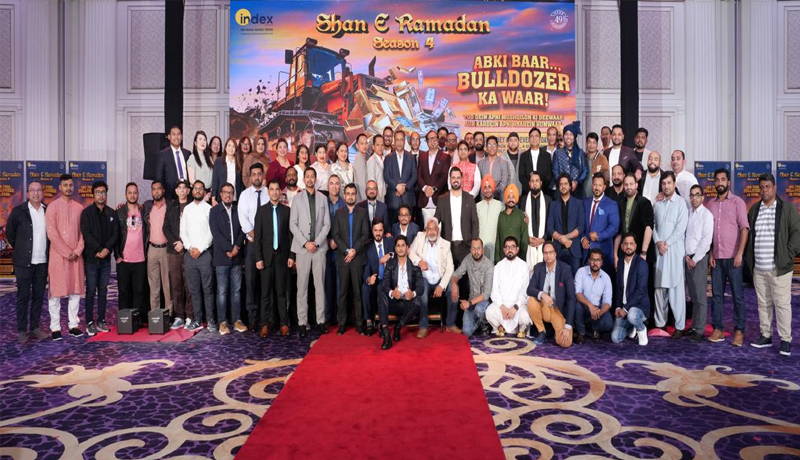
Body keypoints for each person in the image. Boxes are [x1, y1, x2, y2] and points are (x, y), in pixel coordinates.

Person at [746, 173, 800, 356]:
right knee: (763, 303)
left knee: (782, 304)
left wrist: (788, 255)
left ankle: (785, 340)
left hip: (779, 268)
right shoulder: (754, 210)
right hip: (759, 268)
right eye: (761, 187)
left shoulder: (787, 209)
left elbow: (797, 233)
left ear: (775, 188)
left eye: (767, 187)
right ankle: (766, 335)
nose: (764, 190)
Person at [707, 168, 750, 346]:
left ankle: (739, 330)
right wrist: (711, 252)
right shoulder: (710, 205)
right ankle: (718, 329)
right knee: (717, 296)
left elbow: (744, 229)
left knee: (737, 296)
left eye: (723, 179)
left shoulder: (738, 202)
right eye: (717, 180)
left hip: (734, 258)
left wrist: (740, 253)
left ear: (729, 183)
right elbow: (708, 233)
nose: (720, 183)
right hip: (716, 259)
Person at [290, 168, 331, 337]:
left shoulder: (323, 198)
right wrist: (306, 243)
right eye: (307, 176)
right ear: (303, 179)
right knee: (302, 287)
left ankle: (321, 321)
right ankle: (302, 322)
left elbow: (327, 224)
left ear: (315, 179)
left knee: (319, 286)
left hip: (319, 248)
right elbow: (293, 224)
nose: (309, 179)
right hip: (302, 249)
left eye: (312, 176)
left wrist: (317, 242)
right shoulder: (297, 199)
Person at [8, 181, 49, 343]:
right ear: (27, 194)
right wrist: (21, 249)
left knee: (38, 296)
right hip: (23, 263)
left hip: (42, 262)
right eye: (32, 190)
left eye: (39, 190)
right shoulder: (18, 211)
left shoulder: (48, 211)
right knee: (23, 296)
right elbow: (10, 234)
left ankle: (35, 327)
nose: (36, 193)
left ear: (43, 193)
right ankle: (22, 330)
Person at [45, 174, 86, 339]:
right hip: (58, 256)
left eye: (70, 185)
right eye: (65, 185)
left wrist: (77, 251)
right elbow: (51, 233)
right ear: (59, 187)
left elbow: (83, 233)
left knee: (75, 292)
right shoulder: (52, 207)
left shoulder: (79, 208)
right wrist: (67, 252)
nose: (68, 188)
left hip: (76, 256)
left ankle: (73, 325)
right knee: (55, 292)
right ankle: (55, 328)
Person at [613, 173, 655, 323]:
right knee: (624, 284)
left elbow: (649, 227)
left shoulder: (644, 202)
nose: (628, 187)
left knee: (643, 286)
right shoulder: (620, 202)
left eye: (631, 184)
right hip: (624, 252)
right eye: (626, 184)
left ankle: (645, 320)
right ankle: (627, 318)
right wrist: (615, 255)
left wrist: (643, 252)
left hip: (641, 252)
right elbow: (619, 231)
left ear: (637, 185)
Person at [255, 180, 293, 337]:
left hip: (282, 258)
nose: (275, 192)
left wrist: (291, 255)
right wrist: (258, 258)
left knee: (281, 292)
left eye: (277, 189)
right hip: (266, 259)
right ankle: (265, 324)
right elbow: (257, 237)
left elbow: (290, 236)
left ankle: (283, 323)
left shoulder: (287, 211)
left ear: (280, 192)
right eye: (272, 189)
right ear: (268, 192)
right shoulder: (262, 211)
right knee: (265, 293)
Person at [652, 171, 688, 338]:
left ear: (674, 184)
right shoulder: (657, 203)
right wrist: (658, 242)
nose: (666, 186)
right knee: (659, 289)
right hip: (659, 251)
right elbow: (653, 225)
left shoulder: (681, 203)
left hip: (674, 251)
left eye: (669, 183)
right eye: (664, 183)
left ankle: (679, 326)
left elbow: (681, 228)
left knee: (675, 289)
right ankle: (660, 324)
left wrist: (667, 243)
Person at [80, 181, 118, 337]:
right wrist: (98, 249)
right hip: (92, 259)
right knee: (90, 291)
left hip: (105, 259)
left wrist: (106, 249)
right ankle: (89, 322)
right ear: (93, 194)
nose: (101, 195)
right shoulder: (86, 213)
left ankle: (101, 320)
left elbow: (115, 234)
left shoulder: (112, 213)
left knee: (103, 291)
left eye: (103, 192)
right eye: (98, 192)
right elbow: (86, 234)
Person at [332, 183, 370, 334]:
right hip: (343, 259)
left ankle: (359, 323)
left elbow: (365, 234)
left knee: (357, 293)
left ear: (356, 195)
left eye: (352, 193)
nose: (350, 196)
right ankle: (342, 323)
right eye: (347, 193)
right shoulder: (338, 213)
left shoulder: (363, 213)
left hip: (358, 258)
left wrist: (354, 251)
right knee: (342, 293)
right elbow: (336, 235)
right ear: (344, 195)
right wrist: (347, 250)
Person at [409, 218, 456, 338]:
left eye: (434, 229)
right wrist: (419, 261)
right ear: (425, 230)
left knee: (453, 290)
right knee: (423, 295)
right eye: (429, 229)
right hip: (425, 277)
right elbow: (410, 253)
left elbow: (450, 268)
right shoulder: (419, 238)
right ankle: (423, 327)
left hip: (440, 278)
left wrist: (441, 286)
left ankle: (450, 324)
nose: (431, 232)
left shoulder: (445, 244)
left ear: (438, 230)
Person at [209, 182, 245, 336]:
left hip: (236, 258)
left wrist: (236, 247)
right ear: (221, 194)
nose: (228, 195)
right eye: (225, 192)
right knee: (222, 292)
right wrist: (229, 249)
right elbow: (216, 234)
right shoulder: (214, 211)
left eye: (231, 192)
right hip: (221, 257)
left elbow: (242, 230)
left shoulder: (238, 210)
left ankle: (236, 320)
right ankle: (222, 322)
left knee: (236, 291)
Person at [378, 236, 424, 350]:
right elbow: (384, 284)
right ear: (395, 248)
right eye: (398, 246)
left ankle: (398, 327)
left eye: (403, 245)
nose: (401, 248)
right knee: (381, 294)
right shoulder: (390, 264)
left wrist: (412, 294)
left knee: (418, 300)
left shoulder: (414, 266)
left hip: (407, 304)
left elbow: (421, 287)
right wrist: (392, 293)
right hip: (394, 302)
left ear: (407, 248)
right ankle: (386, 334)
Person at [181, 180, 215, 332]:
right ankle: (197, 319)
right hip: (190, 255)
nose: (198, 191)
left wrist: (200, 249)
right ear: (192, 191)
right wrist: (189, 247)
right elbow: (183, 231)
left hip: (205, 254)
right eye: (196, 188)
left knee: (208, 289)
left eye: (201, 189)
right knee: (193, 290)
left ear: (204, 192)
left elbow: (211, 233)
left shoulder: (209, 209)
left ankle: (211, 320)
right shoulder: (187, 209)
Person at [527, 241, 576, 347]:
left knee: (565, 342)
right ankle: (542, 332)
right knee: (531, 301)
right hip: (543, 306)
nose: (548, 255)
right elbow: (530, 289)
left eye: (550, 252)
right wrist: (543, 295)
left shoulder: (565, 269)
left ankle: (556, 331)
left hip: (557, 310)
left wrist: (568, 326)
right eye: (545, 253)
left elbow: (571, 298)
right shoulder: (538, 268)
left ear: (555, 254)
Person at [238, 163, 267, 331]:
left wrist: (264, 238)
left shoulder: (269, 192)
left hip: (267, 246)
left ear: (263, 175)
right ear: (250, 177)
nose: (257, 177)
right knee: (251, 282)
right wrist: (256, 236)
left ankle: (265, 318)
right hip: (251, 245)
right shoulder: (244, 195)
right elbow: (243, 219)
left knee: (266, 282)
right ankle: (252, 318)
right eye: (254, 174)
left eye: (259, 174)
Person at [683, 184, 714, 343]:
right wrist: (686, 257)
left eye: (697, 195)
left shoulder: (706, 215)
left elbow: (706, 241)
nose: (694, 198)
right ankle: (695, 326)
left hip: (699, 260)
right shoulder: (688, 212)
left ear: (702, 197)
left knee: (700, 296)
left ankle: (700, 330)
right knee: (693, 296)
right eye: (692, 195)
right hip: (688, 258)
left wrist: (694, 259)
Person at [485, 236, 532, 338]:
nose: (510, 249)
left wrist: (515, 307)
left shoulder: (524, 266)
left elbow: (526, 291)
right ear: (504, 249)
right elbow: (494, 290)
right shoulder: (498, 266)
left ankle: (521, 329)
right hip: (502, 305)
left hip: (518, 305)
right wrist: (502, 306)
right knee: (489, 312)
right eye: (507, 247)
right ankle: (500, 327)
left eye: (512, 247)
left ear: (517, 249)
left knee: (525, 317)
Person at [611, 233, 650, 345]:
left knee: (632, 315)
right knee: (615, 338)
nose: (628, 246)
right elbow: (619, 287)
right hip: (624, 307)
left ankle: (641, 329)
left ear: (635, 246)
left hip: (639, 307)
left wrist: (625, 309)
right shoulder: (620, 263)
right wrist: (618, 307)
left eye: (631, 243)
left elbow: (640, 291)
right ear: (622, 246)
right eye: (626, 244)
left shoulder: (641, 264)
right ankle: (632, 326)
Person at [435, 167, 480, 265]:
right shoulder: (442, 199)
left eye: (458, 177)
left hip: (465, 246)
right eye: (453, 177)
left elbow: (475, 223)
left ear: (462, 179)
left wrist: (474, 244)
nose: (456, 180)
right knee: (448, 274)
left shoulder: (469, 199)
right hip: (447, 246)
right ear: (450, 179)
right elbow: (436, 220)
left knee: (466, 274)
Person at [164, 180, 194, 329]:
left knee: (189, 285)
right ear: (176, 191)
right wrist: (175, 243)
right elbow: (165, 228)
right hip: (174, 251)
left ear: (188, 191)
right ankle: (179, 316)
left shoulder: (192, 206)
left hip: (189, 251)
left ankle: (190, 316)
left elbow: (196, 228)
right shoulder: (171, 207)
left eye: (184, 188)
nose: (182, 190)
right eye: (179, 188)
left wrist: (185, 243)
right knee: (176, 285)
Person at [450, 238, 494, 337]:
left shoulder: (489, 265)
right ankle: (479, 323)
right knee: (466, 331)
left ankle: (485, 322)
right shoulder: (468, 259)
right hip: (472, 300)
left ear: (482, 250)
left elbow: (486, 294)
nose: (476, 251)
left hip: (484, 302)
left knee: (480, 309)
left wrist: (468, 303)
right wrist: (454, 284)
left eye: (478, 248)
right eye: (473, 248)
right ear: (470, 250)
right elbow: (456, 274)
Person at [581, 173, 620, 275]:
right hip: (586, 253)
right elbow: (580, 224)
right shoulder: (585, 202)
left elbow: (614, 227)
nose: (597, 188)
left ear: (604, 187)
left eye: (599, 185)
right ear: (592, 186)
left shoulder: (611, 204)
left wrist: (598, 236)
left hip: (603, 254)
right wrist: (582, 238)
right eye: (595, 185)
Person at [547, 174, 585, 275]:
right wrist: (561, 239)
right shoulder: (553, 205)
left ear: (570, 185)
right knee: (558, 280)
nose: (563, 186)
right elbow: (549, 228)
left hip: (574, 249)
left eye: (566, 184)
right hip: (557, 250)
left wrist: (566, 237)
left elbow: (581, 226)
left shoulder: (578, 203)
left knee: (575, 280)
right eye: (561, 184)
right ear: (558, 186)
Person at [362, 220, 394, 336]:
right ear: (372, 231)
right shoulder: (368, 247)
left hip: (387, 280)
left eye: (380, 230)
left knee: (381, 287)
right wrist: (368, 279)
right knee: (365, 288)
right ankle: (369, 322)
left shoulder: (390, 241)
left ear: (384, 231)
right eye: (375, 230)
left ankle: (382, 323)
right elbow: (366, 267)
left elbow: (400, 252)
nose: (378, 233)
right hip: (374, 279)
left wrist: (390, 255)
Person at [574, 249, 614, 343]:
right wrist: (590, 305)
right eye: (593, 259)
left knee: (609, 323)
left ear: (602, 262)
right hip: (584, 305)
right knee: (577, 306)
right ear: (588, 260)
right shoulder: (581, 272)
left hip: (598, 308)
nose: (595, 263)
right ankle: (581, 333)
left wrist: (599, 312)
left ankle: (594, 329)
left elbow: (608, 301)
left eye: (598, 260)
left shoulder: (606, 278)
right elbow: (577, 293)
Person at [144, 181, 172, 314]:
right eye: (154, 189)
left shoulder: (170, 206)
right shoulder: (147, 206)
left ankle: (169, 314)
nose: (156, 191)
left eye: (159, 189)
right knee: (153, 286)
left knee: (167, 285)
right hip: (152, 249)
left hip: (166, 249)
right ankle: (155, 315)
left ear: (163, 190)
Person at [384, 130, 417, 226]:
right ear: (394, 141)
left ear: (404, 141)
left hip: (408, 199)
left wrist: (404, 188)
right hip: (393, 199)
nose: (399, 142)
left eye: (401, 140)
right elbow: (386, 176)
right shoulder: (388, 158)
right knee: (393, 228)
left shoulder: (411, 157)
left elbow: (414, 176)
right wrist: (396, 186)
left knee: (409, 229)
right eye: (397, 140)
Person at [520, 171, 551, 271]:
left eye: (537, 181)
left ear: (541, 183)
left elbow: (551, 223)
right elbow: (520, 224)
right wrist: (527, 238)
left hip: (544, 243)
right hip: (528, 244)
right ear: (529, 184)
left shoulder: (548, 200)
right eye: (532, 181)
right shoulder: (523, 200)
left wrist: (544, 239)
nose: (535, 183)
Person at [324, 174, 345, 324]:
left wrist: (337, 241)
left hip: (340, 249)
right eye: (331, 183)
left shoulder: (344, 204)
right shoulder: (322, 202)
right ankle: (326, 318)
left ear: (340, 186)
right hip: (324, 248)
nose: (334, 186)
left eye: (337, 183)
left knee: (339, 285)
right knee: (326, 285)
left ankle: (339, 318)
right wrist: (328, 240)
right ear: (328, 186)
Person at [417, 130, 450, 224]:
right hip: (425, 199)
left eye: (434, 138)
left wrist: (433, 189)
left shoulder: (445, 157)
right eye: (429, 139)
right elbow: (419, 175)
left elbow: (444, 176)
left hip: (439, 199)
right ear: (426, 142)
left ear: (438, 140)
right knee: (426, 229)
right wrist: (425, 188)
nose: (432, 141)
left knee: (439, 229)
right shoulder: (422, 156)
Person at [552, 122, 588, 199]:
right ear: (563, 136)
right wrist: (564, 184)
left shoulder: (580, 152)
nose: (568, 137)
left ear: (574, 137)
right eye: (566, 134)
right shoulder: (557, 153)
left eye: (571, 134)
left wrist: (577, 182)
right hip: (562, 191)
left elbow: (585, 170)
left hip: (578, 191)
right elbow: (555, 172)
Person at [495, 184, 528, 263]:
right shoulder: (501, 215)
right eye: (508, 197)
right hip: (502, 258)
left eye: (513, 197)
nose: (511, 199)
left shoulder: (521, 215)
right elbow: (498, 239)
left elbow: (524, 238)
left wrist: (522, 258)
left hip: (518, 258)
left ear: (516, 198)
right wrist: (497, 259)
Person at [156, 126, 191, 200]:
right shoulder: (163, 155)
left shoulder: (187, 153)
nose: (176, 137)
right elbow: (159, 178)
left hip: (187, 193)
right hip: (170, 195)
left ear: (181, 137)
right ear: (169, 137)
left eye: (178, 134)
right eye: (174, 134)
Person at [518, 127, 553, 198]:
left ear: (540, 139)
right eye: (532, 136)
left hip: (543, 192)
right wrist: (531, 188)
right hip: (527, 193)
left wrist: (539, 188)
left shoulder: (547, 156)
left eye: (536, 136)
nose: (534, 138)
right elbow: (521, 176)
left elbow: (549, 176)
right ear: (529, 139)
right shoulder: (523, 156)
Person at [476, 176, 503, 260]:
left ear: (493, 188)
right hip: (480, 245)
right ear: (482, 190)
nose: (487, 190)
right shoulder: (477, 206)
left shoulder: (500, 205)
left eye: (489, 187)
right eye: (485, 187)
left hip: (495, 244)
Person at [212, 137, 244, 203]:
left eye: (233, 146)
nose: (231, 148)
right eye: (229, 145)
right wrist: (213, 198)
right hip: (221, 199)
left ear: (236, 149)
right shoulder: (218, 161)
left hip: (235, 199)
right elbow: (215, 181)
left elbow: (241, 184)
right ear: (225, 147)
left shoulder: (239, 163)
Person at [477, 136, 510, 200]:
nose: (492, 147)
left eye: (494, 144)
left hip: (499, 198)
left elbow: (504, 182)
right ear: (486, 147)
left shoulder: (504, 163)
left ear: (497, 147)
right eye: (489, 145)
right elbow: (479, 182)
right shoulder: (480, 163)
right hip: (483, 198)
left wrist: (493, 193)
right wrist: (485, 194)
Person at [582, 132, 609, 199]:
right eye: (589, 142)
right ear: (586, 144)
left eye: (594, 142)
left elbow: (607, 178)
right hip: (583, 194)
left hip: (597, 195)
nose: (591, 145)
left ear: (597, 144)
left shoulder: (602, 158)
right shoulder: (582, 157)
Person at [366, 135, 386, 201]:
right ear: (373, 147)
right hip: (376, 198)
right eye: (377, 145)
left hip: (384, 196)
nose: (380, 147)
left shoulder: (385, 159)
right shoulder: (371, 161)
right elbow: (371, 183)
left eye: (382, 145)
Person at [352, 134, 369, 201]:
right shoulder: (359, 158)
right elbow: (361, 182)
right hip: (362, 197)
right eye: (362, 144)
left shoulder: (364, 158)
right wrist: (365, 199)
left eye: (366, 143)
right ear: (357, 146)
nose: (364, 146)